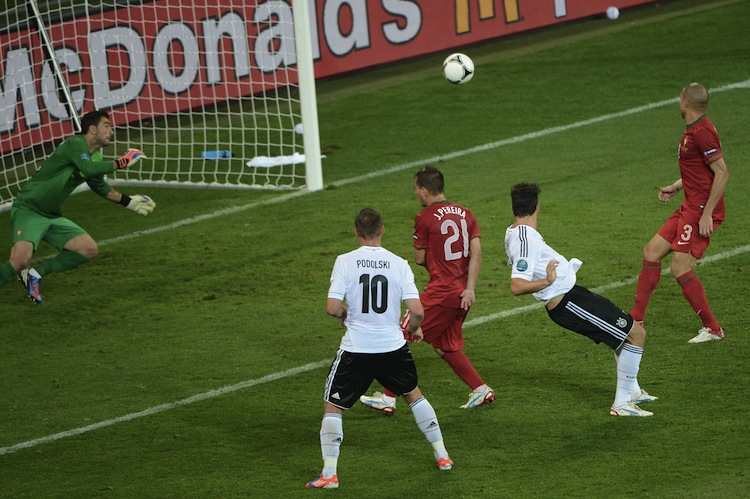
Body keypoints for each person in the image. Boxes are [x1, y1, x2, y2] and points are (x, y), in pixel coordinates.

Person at [306, 208, 453, 489]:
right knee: (413, 395)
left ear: (356, 232)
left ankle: (329, 474)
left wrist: (343, 315)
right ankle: (442, 455)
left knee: (334, 406)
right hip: (392, 348)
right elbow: (417, 311)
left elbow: (332, 307)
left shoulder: (345, 261)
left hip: (356, 349)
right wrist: (413, 328)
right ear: (382, 230)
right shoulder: (398, 263)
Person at [505, 182, 656, 417]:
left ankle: (633, 391)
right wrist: (546, 282)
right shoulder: (525, 239)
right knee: (636, 334)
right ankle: (622, 403)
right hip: (568, 303)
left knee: (620, 336)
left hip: (573, 297)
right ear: (538, 207)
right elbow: (516, 286)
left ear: (512, 209)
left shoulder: (518, 233)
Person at [360, 166, 494, 413]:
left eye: (416, 189)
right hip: (464, 294)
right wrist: (470, 288)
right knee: (445, 345)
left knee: (399, 333)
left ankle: (388, 397)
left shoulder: (424, 218)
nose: (415, 195)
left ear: (424, 190)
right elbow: (477, 253)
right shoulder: (466, 213)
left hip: (441, 291)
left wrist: (435, 259)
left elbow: (419, 258)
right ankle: (480, 389)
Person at [0, 110, 155, 303]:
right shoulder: (75, 144)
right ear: (92, 129)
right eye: (106, 126)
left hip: (50, 214)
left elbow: (101, 187)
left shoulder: (96, 157)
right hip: (29, 209)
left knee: (88, 249)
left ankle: (34, 275)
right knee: (19, 261)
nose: (111, 131)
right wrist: (122, 162)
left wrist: (128, 201)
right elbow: (87, 169)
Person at [631, 82, 729, 343]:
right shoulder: (694, 131)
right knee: (651, 251)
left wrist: (707, 213)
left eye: (679, 98)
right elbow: (701, 173)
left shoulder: (702, 133)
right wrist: (677, 186)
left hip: (699, 210)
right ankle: (635, 320)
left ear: (685, 102)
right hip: (690, 205)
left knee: (680, 266)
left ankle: (713, 328)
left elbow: (722, 173)